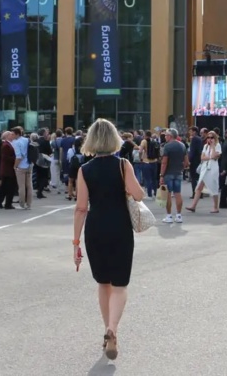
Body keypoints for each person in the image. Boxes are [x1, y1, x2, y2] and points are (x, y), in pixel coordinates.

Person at [73, 118, 144, 361]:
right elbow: (139, 194)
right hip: (120, 227)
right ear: (114, 139)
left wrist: (75, 243)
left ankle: (106, 331)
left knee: (103, 283)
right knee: (120, 284)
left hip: (95, 228)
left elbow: (81, 208)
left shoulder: (85, 169)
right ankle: (113, 330)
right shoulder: (123, 165)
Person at [186, 131, 221, 214]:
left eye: (211, 137)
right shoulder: (205, 146)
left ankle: (215, 207)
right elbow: (202, 157)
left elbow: (214, 156)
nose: (209, 139)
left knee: (213, 187)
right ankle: (193, 206)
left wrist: (212, 147)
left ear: (215, 138)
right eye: (208, 137)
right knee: (198, 187)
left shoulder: (217, 146)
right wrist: (209, 157)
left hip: (212, 169)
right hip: (204, 168)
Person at [159, 128, 188, 224]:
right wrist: (181, 169)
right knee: (178, 193)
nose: (165, 137)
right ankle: (179, 215)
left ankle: (169, 216)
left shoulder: (167, 146)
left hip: (168, 173)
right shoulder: (182, 145)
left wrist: (161, 175)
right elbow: (186, 161)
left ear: (170, 136)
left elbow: (164, 162)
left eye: (166, 135)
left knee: (168, 194)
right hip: (178, 172)